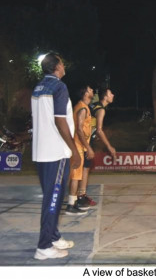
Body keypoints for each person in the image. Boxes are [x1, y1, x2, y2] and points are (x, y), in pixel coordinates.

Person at [31, 53, 82, 260]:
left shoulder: (39, 87)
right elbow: (60, 121)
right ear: (57, 67)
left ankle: (53, 236)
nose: (64, 65)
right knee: (53, 200)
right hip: (55, 151)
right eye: (62, 62)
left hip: (40, 151)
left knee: (53, 197)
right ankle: (44, 246)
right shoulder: (60, 87)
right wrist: (74, 150)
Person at [77, 86, 116, 207]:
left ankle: (79, 194)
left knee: (84, 167)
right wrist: (109, 147)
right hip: (84, 140)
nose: (113, 95)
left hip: (83, 138)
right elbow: (99, 130)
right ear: (105, 97)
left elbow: (91, 125)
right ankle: (80, 196)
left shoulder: (94, 105)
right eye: (111, 93)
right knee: (84, 168)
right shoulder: (101, 110)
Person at [66, 85, 95, 215]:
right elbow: (78, 129)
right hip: (77, 145)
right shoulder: (82, 108)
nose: (92, 91)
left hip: (80, 145)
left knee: (76, 176)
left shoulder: (84, 107)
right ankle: (70, 205)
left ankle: (75, 200)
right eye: (90, 90)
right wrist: (88, 148)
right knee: (75, 176)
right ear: (85, 93)